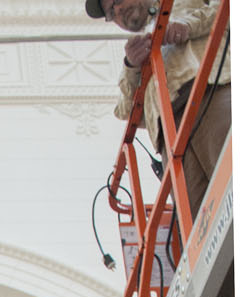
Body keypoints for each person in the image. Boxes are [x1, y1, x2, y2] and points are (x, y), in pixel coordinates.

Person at [86, 0, 230, 222]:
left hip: (211, 94)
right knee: (203, 227)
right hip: (171, 138)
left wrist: (186, 25)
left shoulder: (183, 4)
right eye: (110, 13)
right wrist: (131, 67)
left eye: (117, 1)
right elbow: (124, 110)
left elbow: (226, 10)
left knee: (231, 177)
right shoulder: (136, 55)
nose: (117, 10)